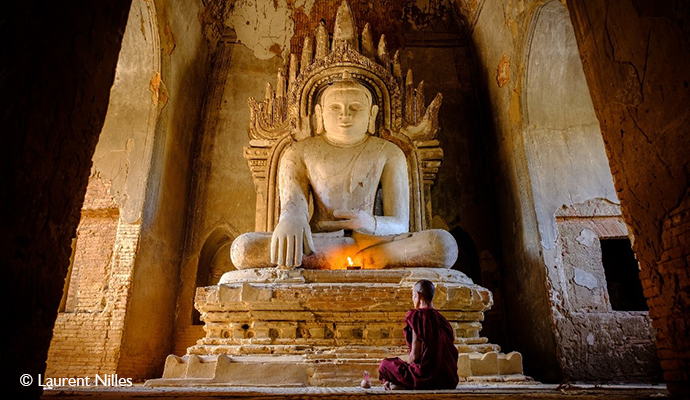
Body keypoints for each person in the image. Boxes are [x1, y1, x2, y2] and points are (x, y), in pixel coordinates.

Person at [230, 72, 458, 270]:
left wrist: (370, 224)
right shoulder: (298, 152)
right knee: (243, 249)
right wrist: (291, 220)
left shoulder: (390, 153)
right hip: (318, 243)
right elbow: (293, 203)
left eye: (355, 108)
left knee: (442, 245)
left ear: (372, 114)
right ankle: (368, 260)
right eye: (335, 108)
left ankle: (366, 255)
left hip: (376, 241)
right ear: (320, 114)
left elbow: (400, 223)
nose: (345, 115)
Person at [378, 279, 459, 390]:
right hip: (448, 380)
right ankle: (402, 384)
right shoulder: (443, 320)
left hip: (424, 379)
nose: (413, 299)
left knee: (385, 365)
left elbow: (415, 356)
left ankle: (401, 383)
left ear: (418, 295)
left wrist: (407, 364)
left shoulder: (418, 316)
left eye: (413, 295)